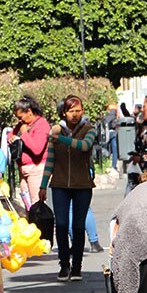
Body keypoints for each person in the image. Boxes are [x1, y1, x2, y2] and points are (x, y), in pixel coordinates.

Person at [39, 95, 95, 281]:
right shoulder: (56, 131)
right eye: (71, 111)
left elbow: (84, 146)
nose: (75, 115)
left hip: (83, 185)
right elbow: (50, 160)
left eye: (78, 111)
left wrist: (61, 139)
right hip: (60, 184)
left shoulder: (89, 129)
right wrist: (43, 185)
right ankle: (64, 265)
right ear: (64, 112)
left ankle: (77, 266)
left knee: (78, 227)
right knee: (61, 225)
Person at [8, 96, 50, 208]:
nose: (20, 121)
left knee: (37, 206)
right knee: (28, 205)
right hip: (24, 171)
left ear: (29, 112)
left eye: (21, 117)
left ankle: (40, 225)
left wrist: (24, 134)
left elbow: (37, 149)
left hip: (36, 169)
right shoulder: (23, 125)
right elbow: (11, 134)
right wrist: (12, 138)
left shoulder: (42, 125)